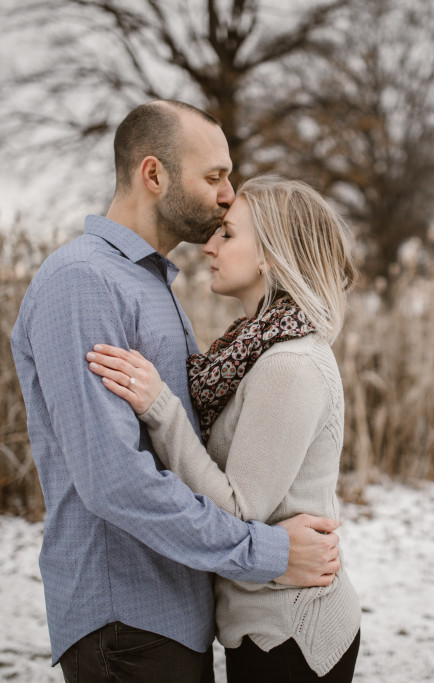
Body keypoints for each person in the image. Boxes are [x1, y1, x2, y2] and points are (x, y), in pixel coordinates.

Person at [10, 101, 342, 683]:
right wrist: (267, 554)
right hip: (127, 618)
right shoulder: (83, 282)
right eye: (214, 176)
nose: (227, 194)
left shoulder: (149, 281)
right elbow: (114, 480)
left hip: (174, 613)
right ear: (154, 174)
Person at [85, 175, 361, 682]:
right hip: (260, 623)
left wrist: (161, 408)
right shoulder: (251, 349)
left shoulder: (289, 365)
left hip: (289, 634)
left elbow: (236, 511)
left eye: (228, 234)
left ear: (269, 257)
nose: (208, 246)